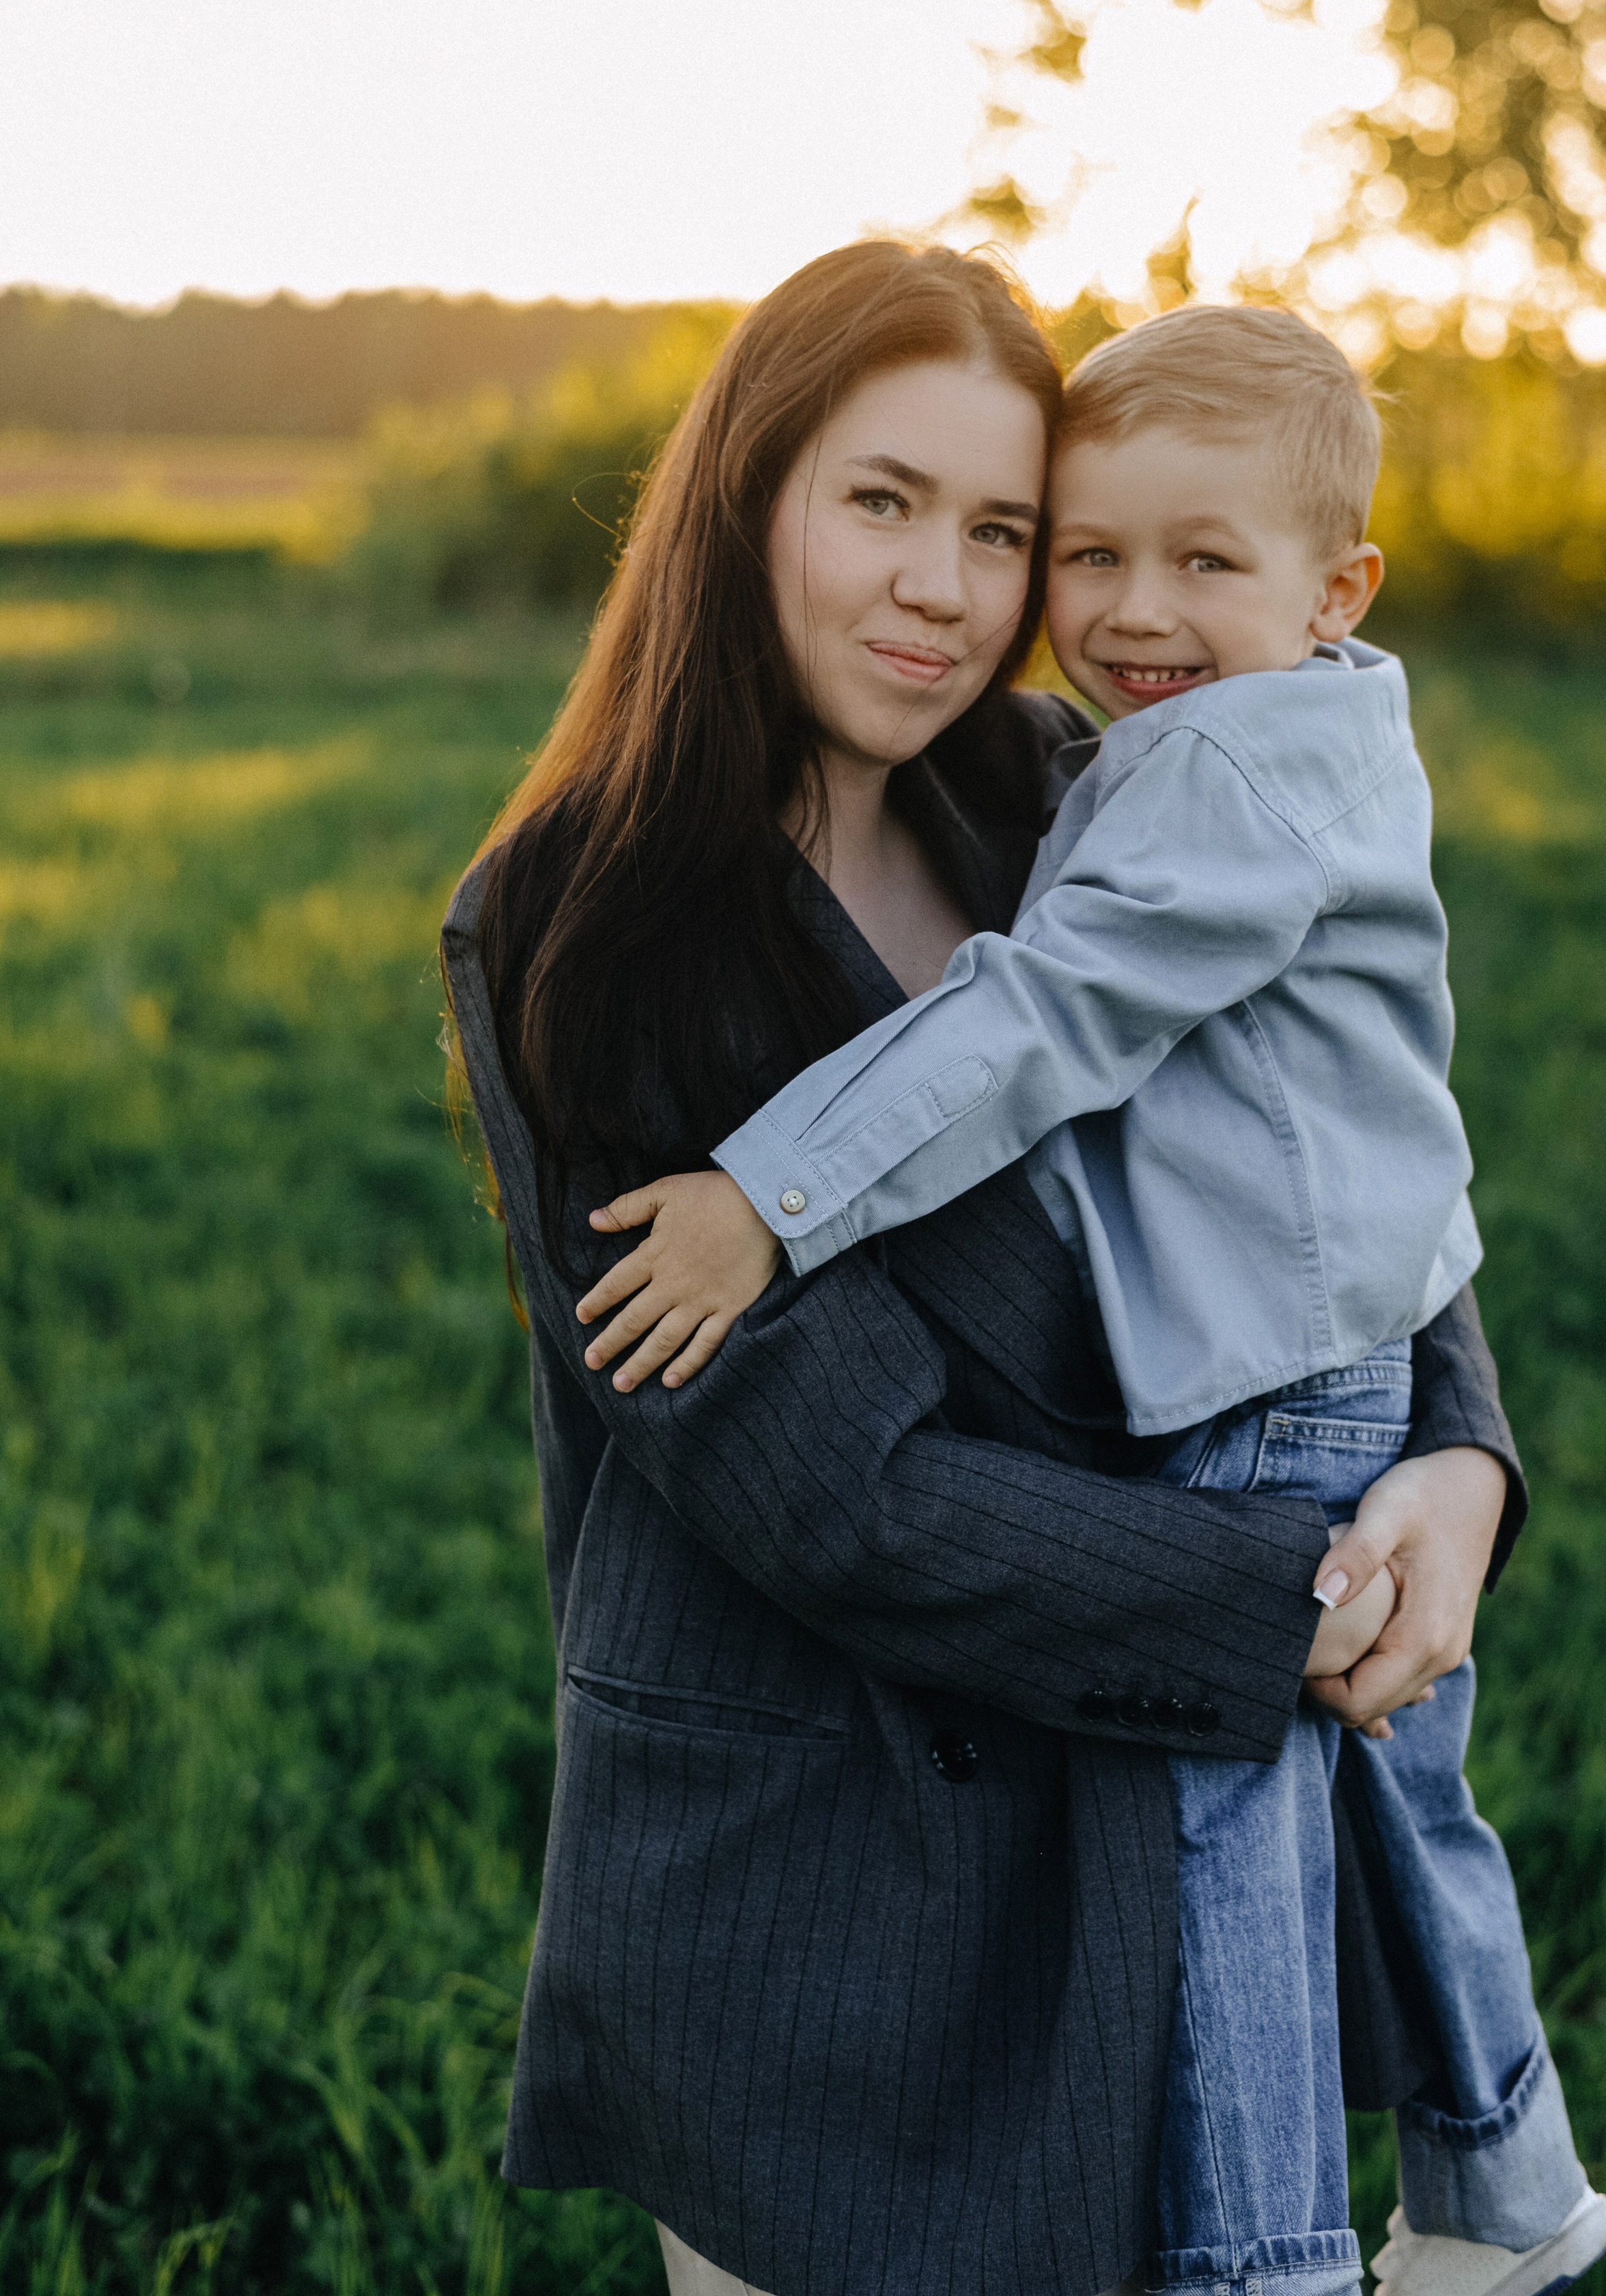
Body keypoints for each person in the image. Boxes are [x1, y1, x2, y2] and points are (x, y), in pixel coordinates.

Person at [443, 242, 1526, 2296]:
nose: (947, 583)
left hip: (1135, 1820)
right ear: (747, 498)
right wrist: (1288, 1600)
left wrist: (1459, 1461)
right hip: (836, 1878)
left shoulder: (1070, 785)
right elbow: (837, 1495)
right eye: (880, 501)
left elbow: (1335, 1140)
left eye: (1002, 526)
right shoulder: (591, 924)